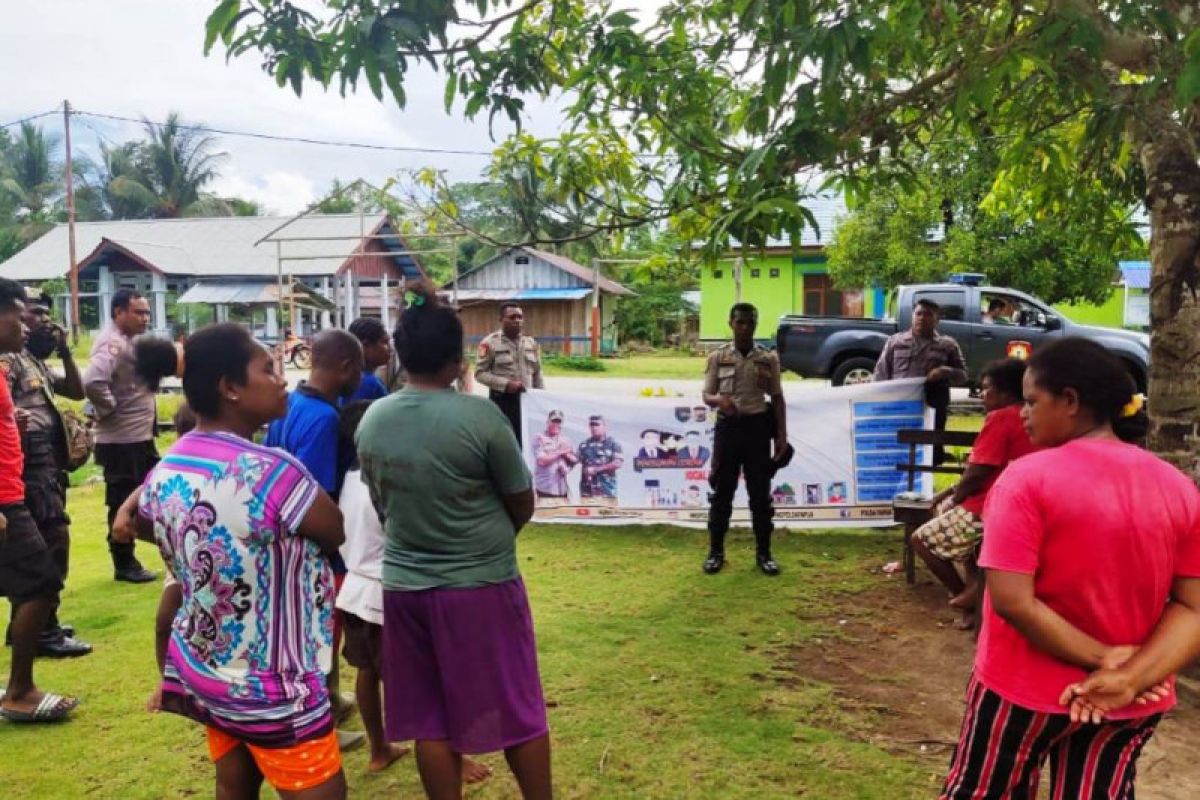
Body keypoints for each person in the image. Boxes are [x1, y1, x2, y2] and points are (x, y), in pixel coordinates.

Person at [939, 338, 1200, 799]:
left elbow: (1012, 602)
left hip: (1024, 691)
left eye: (1033, 401)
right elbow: (1192, 607)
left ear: (1071, 401)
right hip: (1130, 700)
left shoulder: (1025, 479)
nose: (1023, 413)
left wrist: (1104, 661)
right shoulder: (1178, 488)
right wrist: (1129, 677)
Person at [124, 323, 347, 799]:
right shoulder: (273, 472)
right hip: (275, 691)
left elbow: (144, 523)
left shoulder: (167, 466)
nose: (283, 378)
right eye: (268, 368)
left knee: (234, 787)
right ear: (230, 388)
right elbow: (334, 530)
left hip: (207, 674)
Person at [356, 284, 552, 800]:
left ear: (400, 353)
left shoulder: (374, 418)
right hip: (481, 586)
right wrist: (488, 538)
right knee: (519, 707)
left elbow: (382, 504)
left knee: (429, 718)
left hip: (404, 589)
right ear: (458, 356)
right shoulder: (480, 417)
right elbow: (521, 500)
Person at [335, 400, 494, 785]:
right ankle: (452, 759)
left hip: (355, 593)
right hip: (386, 594)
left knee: (367, 672)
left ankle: (379, 748)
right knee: (426, 684)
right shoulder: (381, 483)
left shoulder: (348, 479)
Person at [263, 328, 366, 752]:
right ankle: (320, 723)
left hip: (283, 538)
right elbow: (315, 493)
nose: (361, 375)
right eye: (358, 368)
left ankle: (333, 701)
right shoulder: (324, 419)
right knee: (321, 634)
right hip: (313, 545)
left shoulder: (289, 405)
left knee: (312, 632)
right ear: (345, 368)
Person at [0, 278, 78, 723]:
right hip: (8, 497)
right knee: (39, 582)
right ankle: (20, 690)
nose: (27, 324)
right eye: (18, 312)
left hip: (17, 490)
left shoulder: (12, 362)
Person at [911, 359, 1036, 630]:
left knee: (921, 540)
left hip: (989, 507)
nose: (982, 394)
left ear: (1005, 392)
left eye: (987, 388)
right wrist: (948, 492)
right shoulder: (1030, 416)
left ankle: (964, 596)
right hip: (1017, 505)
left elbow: (978, 471)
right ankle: (973, 592)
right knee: (955, 525)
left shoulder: (1000, 418)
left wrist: (954, 499)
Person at [702, 303, 788, 577]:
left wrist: (781, 436)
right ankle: (716, 553)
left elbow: (777, 398)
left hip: (758, 430)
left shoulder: (768, 358)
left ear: (756, 325)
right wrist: (720, 401)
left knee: (760, 496)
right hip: (729, 430)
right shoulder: (718, 357)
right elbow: (706, 395)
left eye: (750, 322)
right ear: (731, 323)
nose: (745, 327)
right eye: (740, 322)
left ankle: (764, 554)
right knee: (722, 493)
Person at [83, 287, 158, 583]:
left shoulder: (129, 341)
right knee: (122, 500)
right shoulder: (112, 344)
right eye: (138, 312)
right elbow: (92, 381)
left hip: (137, 436)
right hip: (121, 440)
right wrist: (108, 408)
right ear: (119, 313)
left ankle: (143, 552)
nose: (145, 318)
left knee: (151, 493)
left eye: (147, 312)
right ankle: (124, 562)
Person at [873, 298, 967, 465]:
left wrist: (946, 371)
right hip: (900, 408)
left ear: (937, 320)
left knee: (930, 453)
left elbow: (963, 376)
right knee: (896, 451)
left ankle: (926, 487)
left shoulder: (948, 345)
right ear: (912, 316)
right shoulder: (895, 342)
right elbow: (880, 376)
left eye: (928, 314)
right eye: (918, 313)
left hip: (932, 410)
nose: (922, 318)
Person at [475, 303, 544, 444]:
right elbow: (480, 373)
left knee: (526, 442)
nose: (517, 320)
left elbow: (537, 373)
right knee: (503, 442)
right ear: (501, 319)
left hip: (527, 402)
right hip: (502, 403)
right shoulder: (490, 343)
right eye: (512, 317)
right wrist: (506, 384)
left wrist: (541, 398)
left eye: (520, 317)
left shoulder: (531, 343)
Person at [577, 415, 623, 501]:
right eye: (591, 425)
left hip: (606, 491)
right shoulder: (584, 445)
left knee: (607, 514)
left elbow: (618, 463)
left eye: (597, 425)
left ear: (604, 427)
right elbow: (574, 460)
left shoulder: (613, 444)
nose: (594, 427)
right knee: (587, 514)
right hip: (587, 492)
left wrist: (596, 469)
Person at [347, 317, 393, 402]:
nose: (390, 349)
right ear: (365, 346)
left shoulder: (350, 379)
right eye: (384, 342)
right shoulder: (367, 383)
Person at [533, 410, 576, 500]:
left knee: (563, 514)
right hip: (545, 490)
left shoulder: (565, 439)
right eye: (554, 421)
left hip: (562, 490)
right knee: (546, 513)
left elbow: (574, 460)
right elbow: (542, 461)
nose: (556, 424)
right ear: (548, 422)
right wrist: (560, 451)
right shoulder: (539, 437)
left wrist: (567, 468)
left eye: (559, 422)